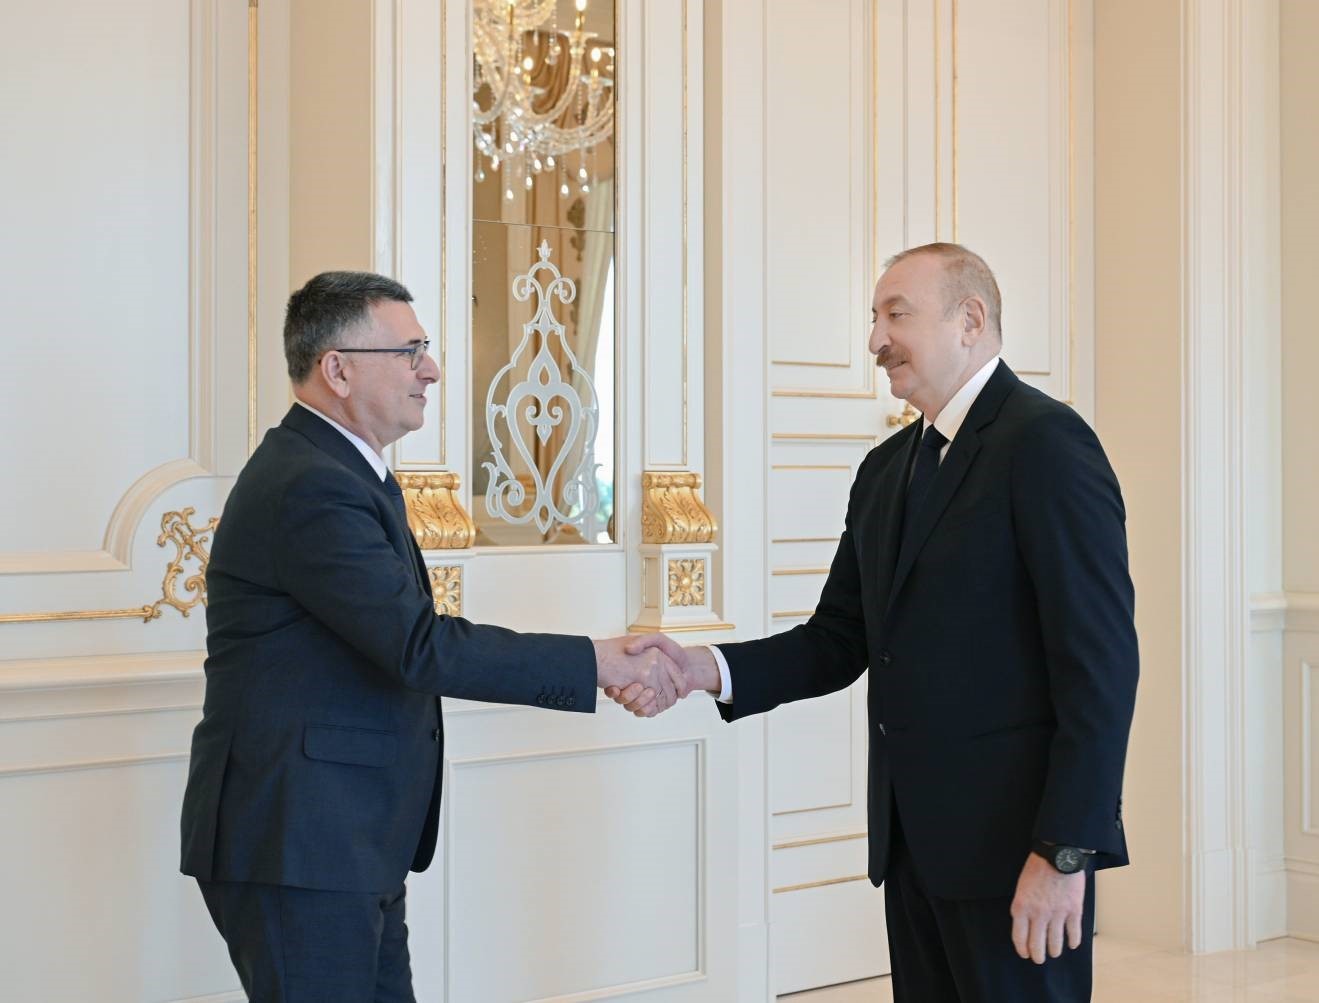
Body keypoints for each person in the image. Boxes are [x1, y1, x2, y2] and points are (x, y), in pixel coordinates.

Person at [613, 243, 1139, 1002]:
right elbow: (838, 638)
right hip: (913, 848)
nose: (875, 340)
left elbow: (1101, 666)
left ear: (970, 320)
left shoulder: (1047, 443)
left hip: (1018, 851)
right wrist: (704, 669)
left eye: (897, 315)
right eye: (874, 317)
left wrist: (1064, 852)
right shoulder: (885, 469)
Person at [180, 271, 684, 1003]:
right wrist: (595, 661)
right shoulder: (310, 484)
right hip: (302, 840)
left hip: (344, 837)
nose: (433, 369)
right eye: (410, 351)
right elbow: (420, 645)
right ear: (338, 370)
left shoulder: (341, 471)